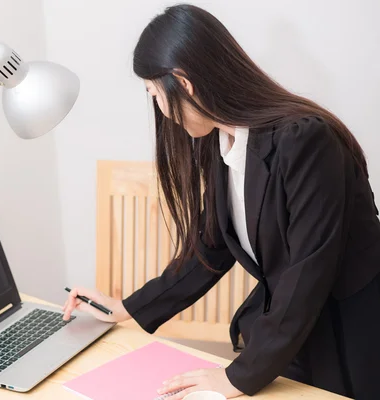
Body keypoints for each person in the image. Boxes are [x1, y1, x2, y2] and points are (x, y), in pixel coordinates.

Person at [62, 4, 380, 399]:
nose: (160, 110)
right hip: (290, 332)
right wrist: (127, 307)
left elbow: (307, 274)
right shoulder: (224, 142)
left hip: (348, 339)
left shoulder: (306, 141)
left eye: (155, 94)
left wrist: (234, 378)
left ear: (184, 82)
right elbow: (209, 248)